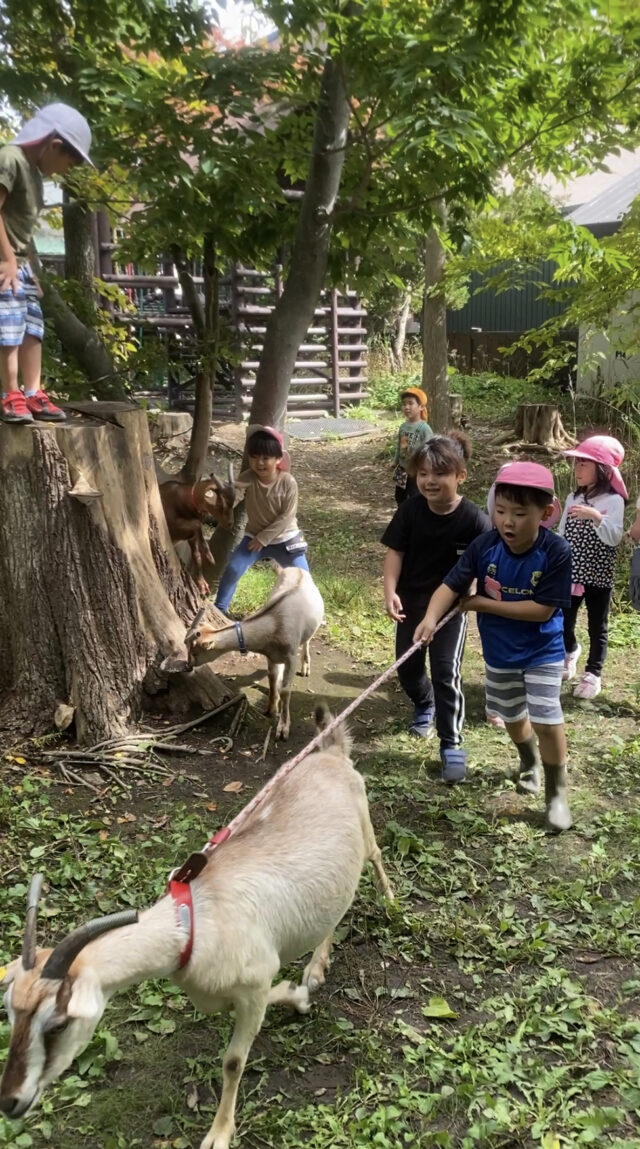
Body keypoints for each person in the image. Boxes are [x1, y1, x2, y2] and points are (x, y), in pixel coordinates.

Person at [414, 461, 573, 831]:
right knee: (515, 719)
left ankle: (557, 796)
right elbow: (450, 586)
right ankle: (529, 761)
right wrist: (429, 618)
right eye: (500, 511)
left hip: (543, 649)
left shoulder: (556, 552)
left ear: (545, 513)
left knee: (548, 721)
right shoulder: (483, 547)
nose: (508, 522)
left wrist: (484, 604)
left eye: (520, 513)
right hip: (500, 654)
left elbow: (541, 610)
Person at [382, 432, 491, 784]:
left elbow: (484, 565)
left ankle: (451, 744)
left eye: (439, 474)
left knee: (446, 673)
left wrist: (471, 594)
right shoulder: (411, 510)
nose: (429, 481)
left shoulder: (475, 519)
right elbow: (395, 551)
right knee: (408, 669)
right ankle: (423, 703)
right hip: (411, 603)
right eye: (423, 473)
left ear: (460, 476)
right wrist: (390, 591)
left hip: (450, 611)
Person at [0, 103, 94, 424]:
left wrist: (29, 270)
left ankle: (31, 392)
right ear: (53, 145)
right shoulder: (9, 160)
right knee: (9, 325)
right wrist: (10, 260)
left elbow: (22, 230)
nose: (65, 171)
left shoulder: (35, 174)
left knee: (33, 325)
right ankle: (9, 393)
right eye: (68, 161)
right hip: (3, 265)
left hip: (20, 266)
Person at [215, 425, 310, 616]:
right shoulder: (247, 477)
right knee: (234, 568)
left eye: (265, 458)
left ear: (278, 459)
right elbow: (235, 496)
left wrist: (263, 539)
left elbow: (286, 516)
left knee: (303, 578)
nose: (259, 463)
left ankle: (307, 612)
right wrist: (223, 498)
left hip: (286, 539)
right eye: (254, 457)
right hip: (253, 537)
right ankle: (219, 609)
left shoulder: (288, 482)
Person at [558, 435, 627, 700]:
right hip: (572, 572)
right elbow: (563, 531)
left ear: (602, 470)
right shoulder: (572, 497)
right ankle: (570, 651)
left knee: (598, 625)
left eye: (584, 465)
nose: (578, 470)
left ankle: (593, 674)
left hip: (598, 574)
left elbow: (614, 537)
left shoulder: (613, 501)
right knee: (564, 618)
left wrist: (596, 517)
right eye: (576, 464)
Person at [392, 386, 433, 504]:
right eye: (404, 404)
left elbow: (429, 450)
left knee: (415, 496)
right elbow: (400, 446)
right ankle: (403, 516)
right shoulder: (403, 427)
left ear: (421, 407)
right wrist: (395, 461)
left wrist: (427, 468)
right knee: (399, 496)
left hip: (416, 471)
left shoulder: (424, 428)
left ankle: (415, 518)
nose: (406, 407)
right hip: (402, 469)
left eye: (410, 403)